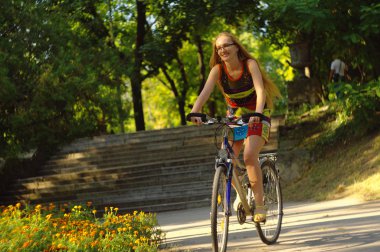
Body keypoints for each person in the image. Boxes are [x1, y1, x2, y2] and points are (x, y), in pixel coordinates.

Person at [189, 32, 281, 223]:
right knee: (226, 156)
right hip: (236, 115)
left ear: (236, 46)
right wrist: (195, 111)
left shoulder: (250, 64)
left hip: (258, 112)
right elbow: (205, 92)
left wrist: (257, 114)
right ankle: (241, 189)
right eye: (218, 47)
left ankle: (260, 205)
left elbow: (260, 90)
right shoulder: (217, 70)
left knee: (249, 156)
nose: (222, 50)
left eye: (226, 45)